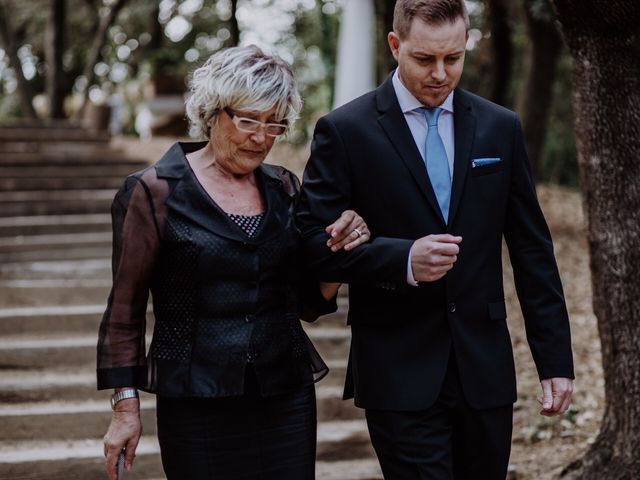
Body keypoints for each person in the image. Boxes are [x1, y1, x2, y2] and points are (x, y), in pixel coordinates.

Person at [296, 1, 574, 478]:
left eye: (454, 57)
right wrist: (401, 258)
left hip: (484, 369)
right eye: (425, 59)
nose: (442, 74)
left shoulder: (500, 127)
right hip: (396, 369)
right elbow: (307, 246)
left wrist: (554, 360)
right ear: (395, 45)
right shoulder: (345, 131)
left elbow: (532, 250)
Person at [97, 45, 371, 480]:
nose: (261, 137)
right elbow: (124, 312)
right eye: (247, 120)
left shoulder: (284, 188)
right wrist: (125, 408)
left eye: (274, 123)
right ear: (212, 113)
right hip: (196, 403)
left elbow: (306, 303)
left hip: (284, 396)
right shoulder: (154, 192)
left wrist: (337, 254)